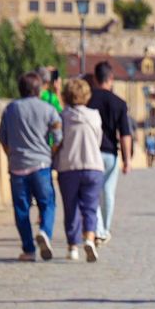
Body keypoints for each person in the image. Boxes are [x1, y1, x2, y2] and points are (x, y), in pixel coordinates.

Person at [0, 71, 62, 261]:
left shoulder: (10, 109)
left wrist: (11, 154)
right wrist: (51, 152)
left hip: (18, 166)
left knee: (21, 209)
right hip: (41, 164)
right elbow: (58, 135)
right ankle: (44, 232)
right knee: (48, 203)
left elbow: (2, 136)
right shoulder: (48, 109)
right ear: (38, 89)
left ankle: (29, 250)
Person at [54, 76, 104, 261]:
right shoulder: (94, 115)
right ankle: (90, 237)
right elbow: (97, 139)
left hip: (69, 166)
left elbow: (58, 139)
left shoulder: (63, 116)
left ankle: (72, 246)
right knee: (90, 206)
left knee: (71, 208)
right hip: (93, 165)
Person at [83, 61, 133, 244]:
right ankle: (105, 229)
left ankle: (98, 228)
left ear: (95, 78)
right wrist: (127, 159)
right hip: (111, 153)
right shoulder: (119, 103)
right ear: (111, 79)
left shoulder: (87, 100)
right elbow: (125, 134)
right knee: (108, 192)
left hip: (90, 152)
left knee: (92, 192)